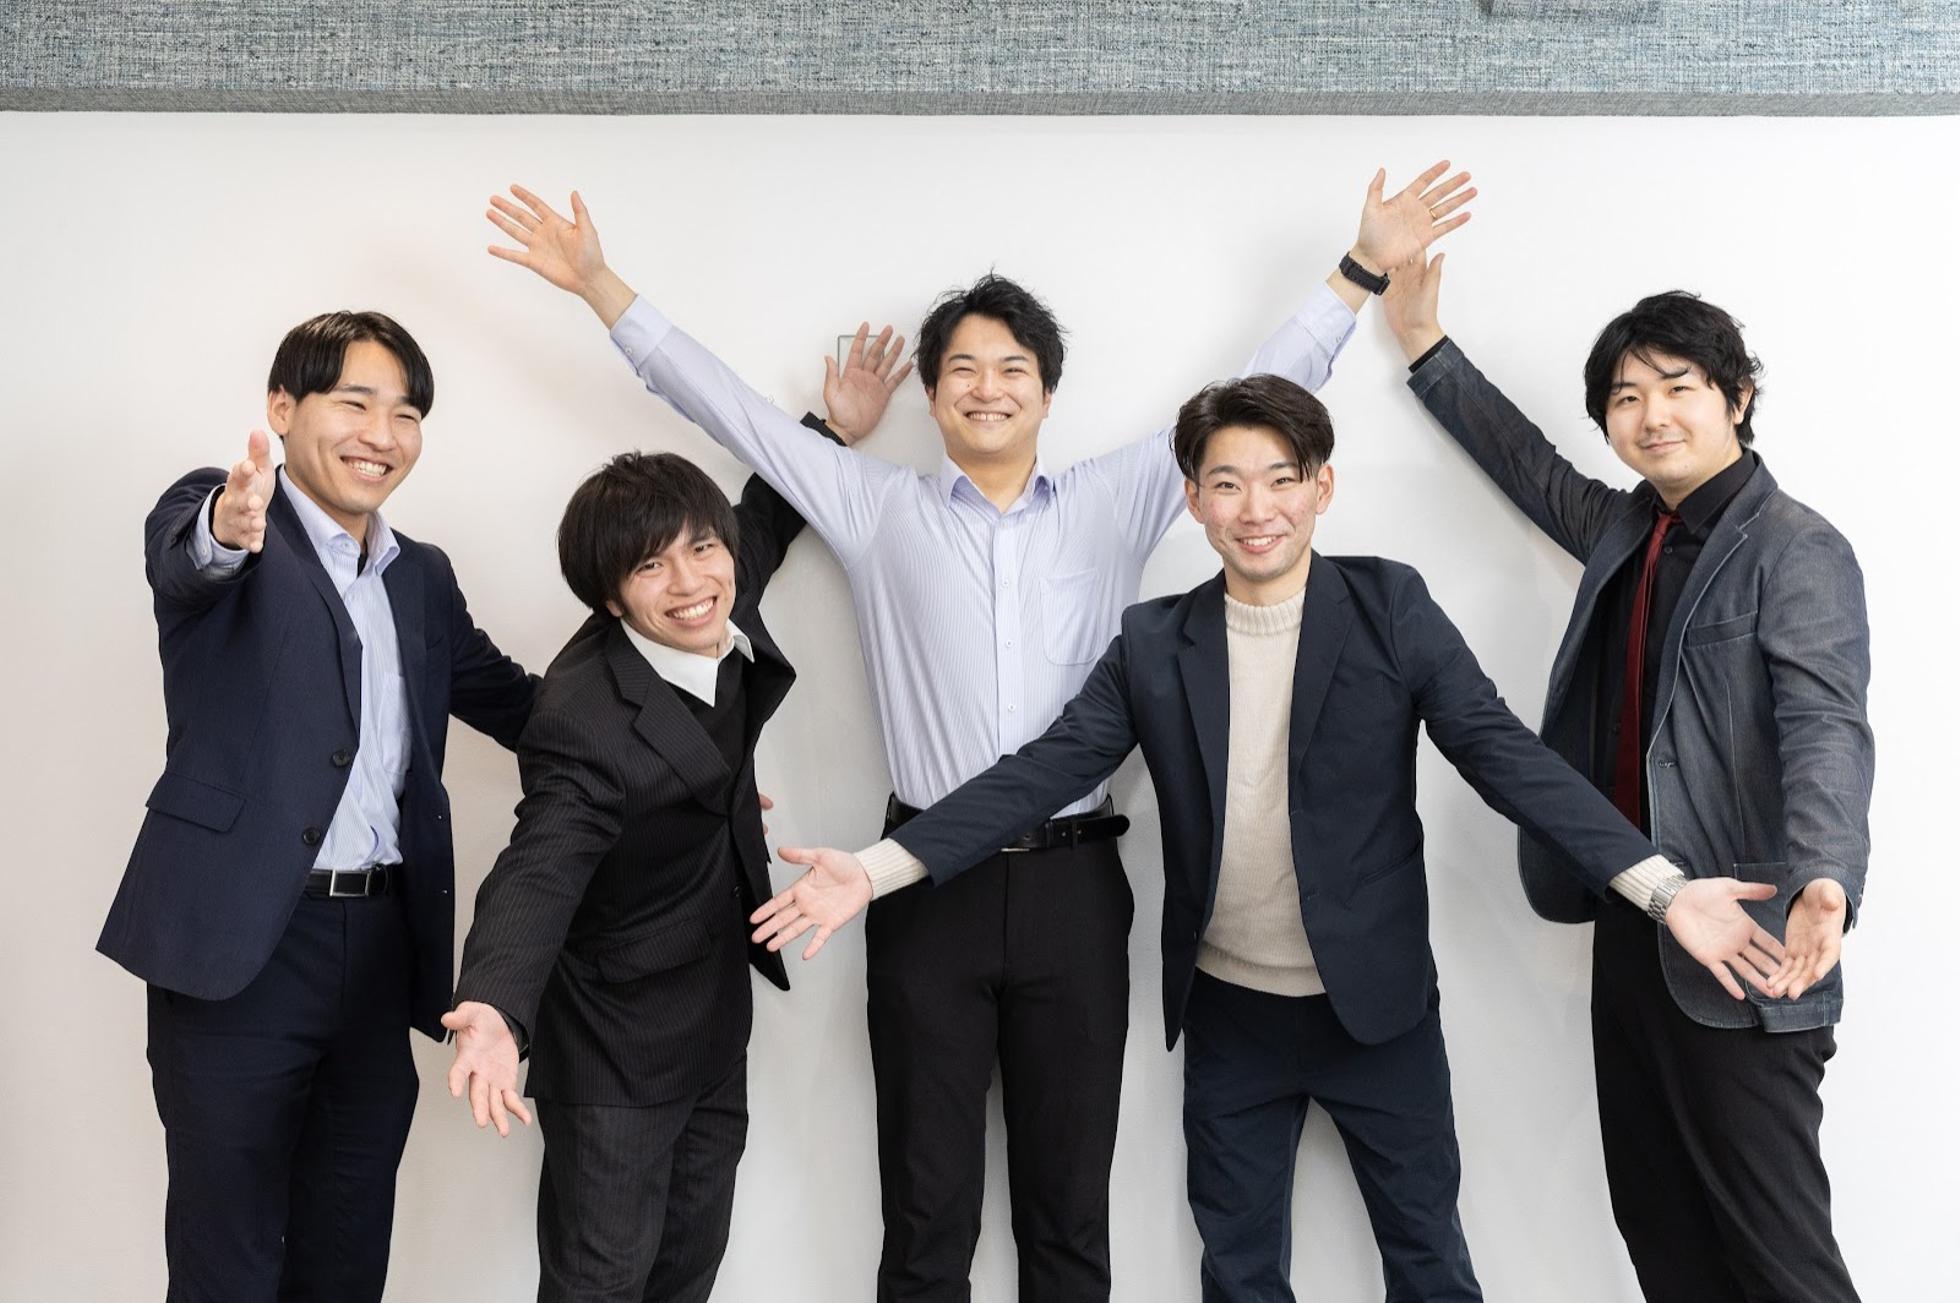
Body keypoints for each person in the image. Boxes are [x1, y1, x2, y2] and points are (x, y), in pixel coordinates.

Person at [483, 164, 1474, 1303]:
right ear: (933, 394)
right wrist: (600, 285)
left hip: (1075, 889)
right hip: (922, 889)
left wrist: (1357, 272)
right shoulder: (874, 507)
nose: (987, 387)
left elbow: (1260, 395)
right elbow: (726, 408)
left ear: (1047, 393)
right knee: (926, 1213)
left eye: (1012, 369)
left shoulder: (1120, 495)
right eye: (962, 368)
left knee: (1068, 1213)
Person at [750, 373, 1793, 1303]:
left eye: (1281, 479)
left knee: (1429, 1259)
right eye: (1227, 483)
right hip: (1232, 1017)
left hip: (1377, 1012)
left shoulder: (1389, 605)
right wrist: (876, 869)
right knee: (1240, 1272)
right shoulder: (1154, 642)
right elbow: (1042, 772)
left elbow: (1505, 756)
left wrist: (1662, 889)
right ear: (1194, 499)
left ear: (1320, 488)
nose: (1256, 508)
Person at [1380, 255, 1871, 1302]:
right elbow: (1525, 465)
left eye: (1677, 387)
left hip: (1749, 943)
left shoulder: (1796, 548)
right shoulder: (1627, 530)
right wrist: (1423, 341)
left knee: (1779, 1256)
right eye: (1625, 396)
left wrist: (1825, 876)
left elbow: (1825, 725)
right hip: (1636, 921)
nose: (1651, 415)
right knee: (1663, 1232)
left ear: (1738, 397)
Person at [97, 311, 538, 1301]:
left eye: (407, 413)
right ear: (283, 408)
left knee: (346, 1250)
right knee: (228, 1260)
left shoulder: (421, 576)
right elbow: (190, 556)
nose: (383, 433)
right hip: (242, 947)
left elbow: (519, 705)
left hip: (381, 950)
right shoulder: (227, 517)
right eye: (355, 402)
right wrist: (229, 524)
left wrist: (665, 758)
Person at [444, 441, 841, 1302]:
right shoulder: (581, 718)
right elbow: (540, 865)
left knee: (688, 1268)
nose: (690, 580)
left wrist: (829, 432)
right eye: (650, 565)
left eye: (702, 547)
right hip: (614, 1046)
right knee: (602, 1281)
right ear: (611, 594)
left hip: (711, 1018)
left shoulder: (713, 596)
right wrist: (494, 1007)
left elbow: (757, 528)